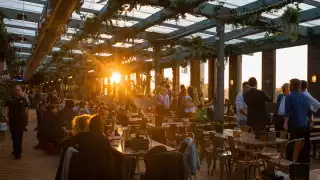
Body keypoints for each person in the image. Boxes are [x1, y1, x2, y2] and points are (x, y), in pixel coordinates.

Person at [57, 115, 115, 180]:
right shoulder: (104, 139)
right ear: (101, 126)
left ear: (90, 124)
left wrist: (74, 149)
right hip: (98, 172)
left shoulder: (82, 136)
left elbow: (63, 144)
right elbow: (110, 157)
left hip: (81, 169)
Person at [284, 79, 312, 163]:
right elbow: (309, 112)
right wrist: (310, 123)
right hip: (304, 125)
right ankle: (301, 163)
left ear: (291, 85)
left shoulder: (289, 97)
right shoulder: (304, 97)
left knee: (291, 144)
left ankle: (291, 162)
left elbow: (287, 113)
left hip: (293, 125)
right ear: (299, 86)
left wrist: (285, 123)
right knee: (302, 145)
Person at [3, 85, 29, 159]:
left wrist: (26, 121)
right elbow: (6, 108)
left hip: (21, 121)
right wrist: (6, 117)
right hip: (13, 121)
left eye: (20, 90)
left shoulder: (23, 99)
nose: (19, 91)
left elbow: (26, 110)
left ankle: (18, 151)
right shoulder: (10, 100)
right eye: (17, 90)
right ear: (14, 91)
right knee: (15, 136)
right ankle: (17, 152)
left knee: (20, 136)